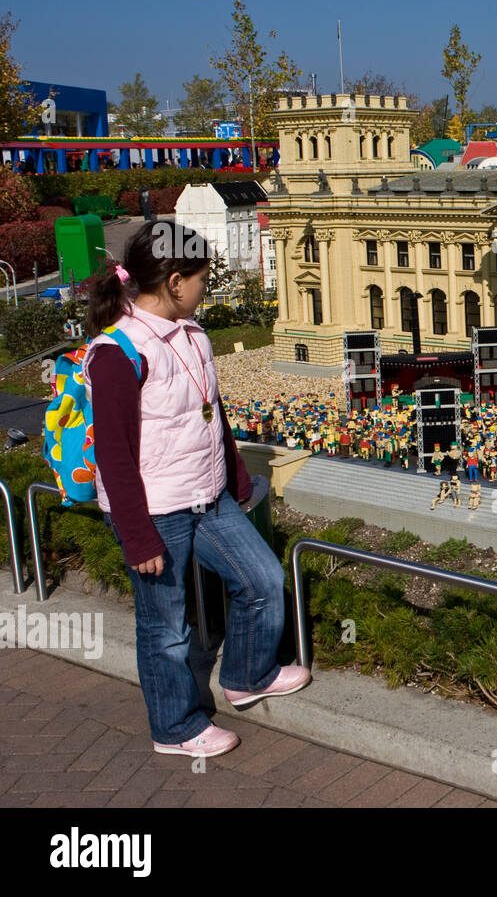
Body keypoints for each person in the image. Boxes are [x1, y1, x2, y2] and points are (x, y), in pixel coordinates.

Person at [83, 221, 309, 760]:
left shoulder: (193, 332)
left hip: (206, 496)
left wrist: (232, 475)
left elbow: (212, 415)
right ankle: (176, 727)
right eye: (203, 278)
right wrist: (137, 538)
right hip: (156, 511)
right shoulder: (118, 351)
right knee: (166, 628)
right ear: (176, 281)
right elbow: (112, 453)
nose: (208, 287)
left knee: (262, 578)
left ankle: (247, 675)